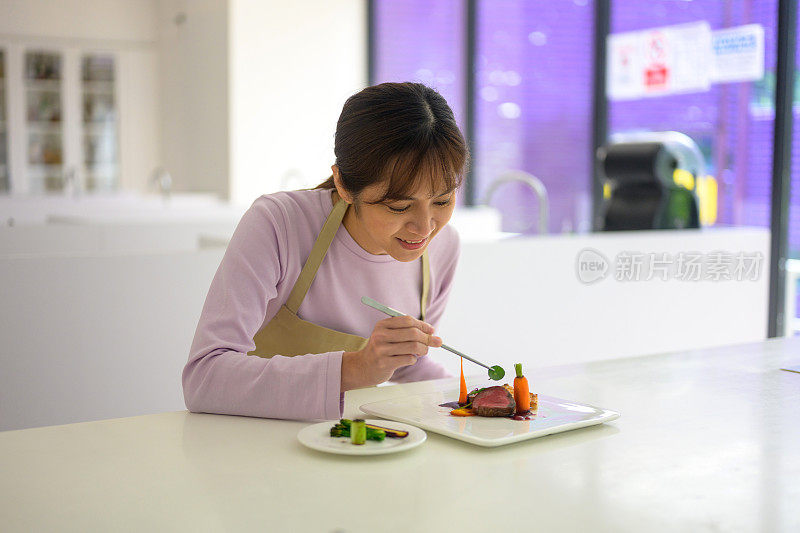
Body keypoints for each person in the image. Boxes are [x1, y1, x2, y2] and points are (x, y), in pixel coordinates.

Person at [182, 82, 469, 420]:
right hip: (252, 446)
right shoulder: (279, 224)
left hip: (348, 446)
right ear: (344, 184)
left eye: (442, 201)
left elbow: (406, 365)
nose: (424, 228)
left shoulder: (443, 247)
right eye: (398, 206)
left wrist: (474, 399)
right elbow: (205, 378)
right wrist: (356, 368)